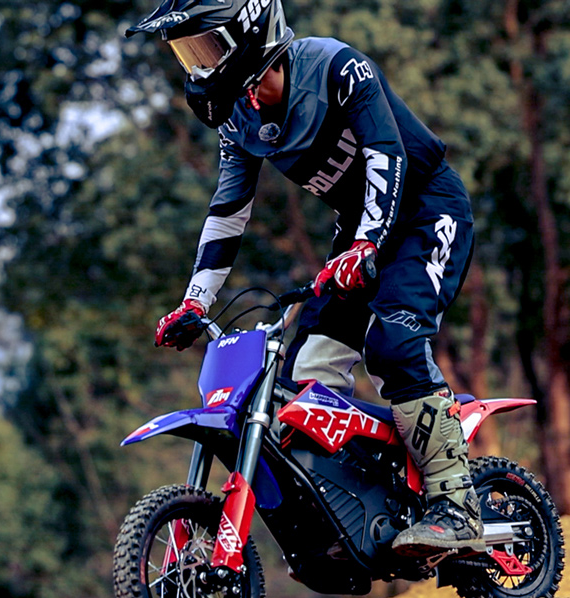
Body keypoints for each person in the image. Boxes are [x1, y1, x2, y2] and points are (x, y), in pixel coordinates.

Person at [128, 0, 483, 555]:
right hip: (359, 234)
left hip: (426, 210)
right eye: (187, 53)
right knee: (304, 381)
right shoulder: (239, 120)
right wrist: (195, 301)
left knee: (392, 343)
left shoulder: (337, 68)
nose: (197, 66)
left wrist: (367, 243)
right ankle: (362, 507)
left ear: (250, 31)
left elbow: (386, 154)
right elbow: (228, 213)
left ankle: (456, 504)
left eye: (205, 48)